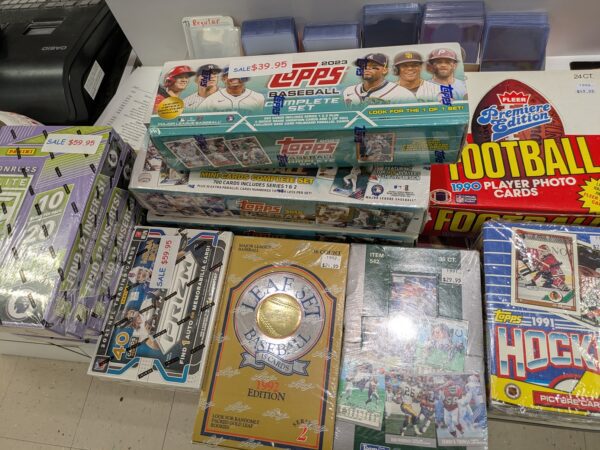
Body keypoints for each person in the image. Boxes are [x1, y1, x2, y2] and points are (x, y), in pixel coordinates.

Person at [343, 53, 411, 104]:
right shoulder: (349, 90)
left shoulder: (401, 94)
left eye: (373, 66)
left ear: (384, 70)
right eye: (363, 66)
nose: (367, 68)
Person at [199, 67, 264, 112]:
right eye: (229, 75)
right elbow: (198, 119)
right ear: (223, 79)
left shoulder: (258, 97)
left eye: (238, 75)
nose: (234, 77)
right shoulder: (211, 100)